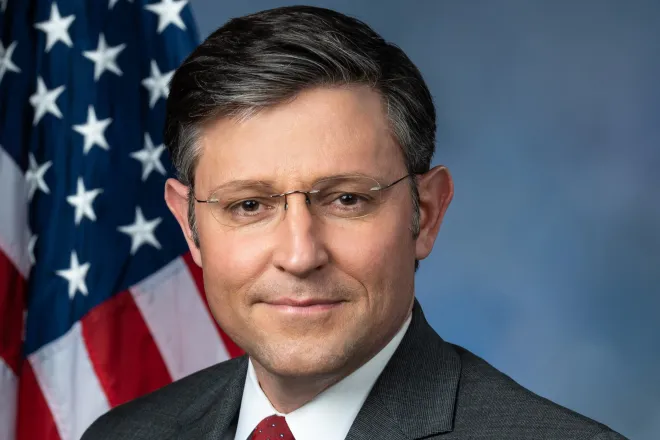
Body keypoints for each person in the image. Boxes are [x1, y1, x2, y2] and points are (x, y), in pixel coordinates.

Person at [83, 5, 626, 440]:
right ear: (189, 224)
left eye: (345, 199)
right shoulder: (124, 433)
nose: (299, 255)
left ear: (427, 213)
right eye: (249, 205)